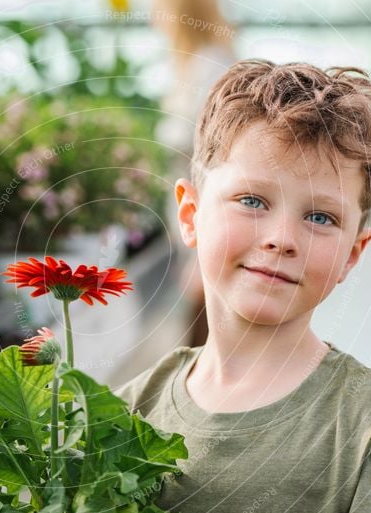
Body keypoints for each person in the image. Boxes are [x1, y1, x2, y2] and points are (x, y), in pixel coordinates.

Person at [115, 59, 371, 513]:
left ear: (352, 255)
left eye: (321, 218)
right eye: (252, 201)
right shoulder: (124, 411)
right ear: (189, 215)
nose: (282, 238)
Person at [151, 0, 237, 347]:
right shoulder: (193, 64)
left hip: (206, 209)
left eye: (158, 8)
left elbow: (217, 154)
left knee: (203, 311)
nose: (153, 18)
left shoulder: (210, 66)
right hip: (193, 210)